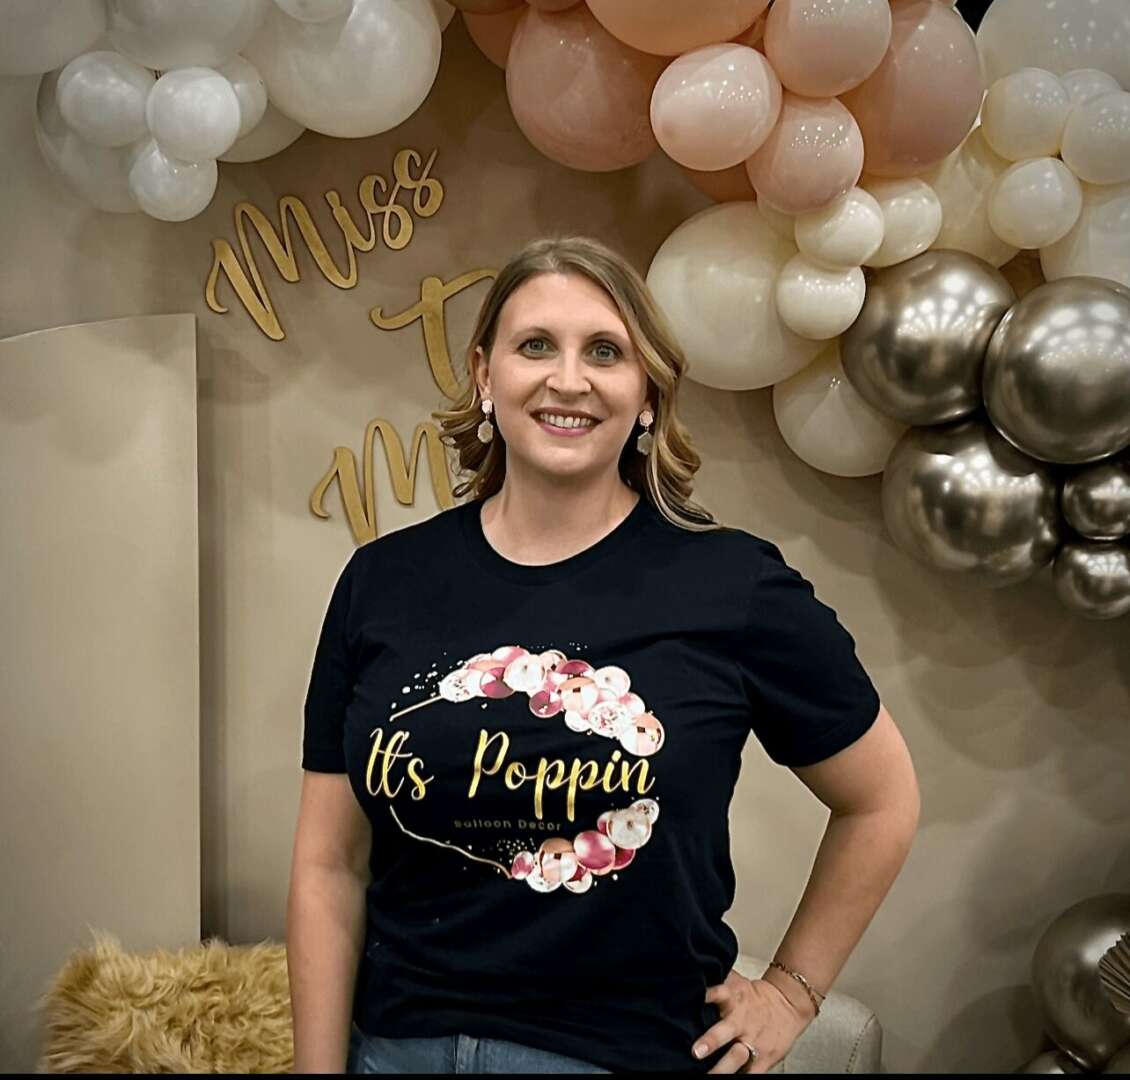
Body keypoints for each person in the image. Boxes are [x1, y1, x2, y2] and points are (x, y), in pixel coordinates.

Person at [286, 235, 921, 1075]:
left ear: (648, 393)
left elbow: (882, 799)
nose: (568, 379)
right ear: (484, 375)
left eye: (605, 352)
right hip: (397, 1050)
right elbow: (329, 865)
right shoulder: (383, 581)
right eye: (535, 345)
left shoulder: (733, 586)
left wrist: (793, 991)